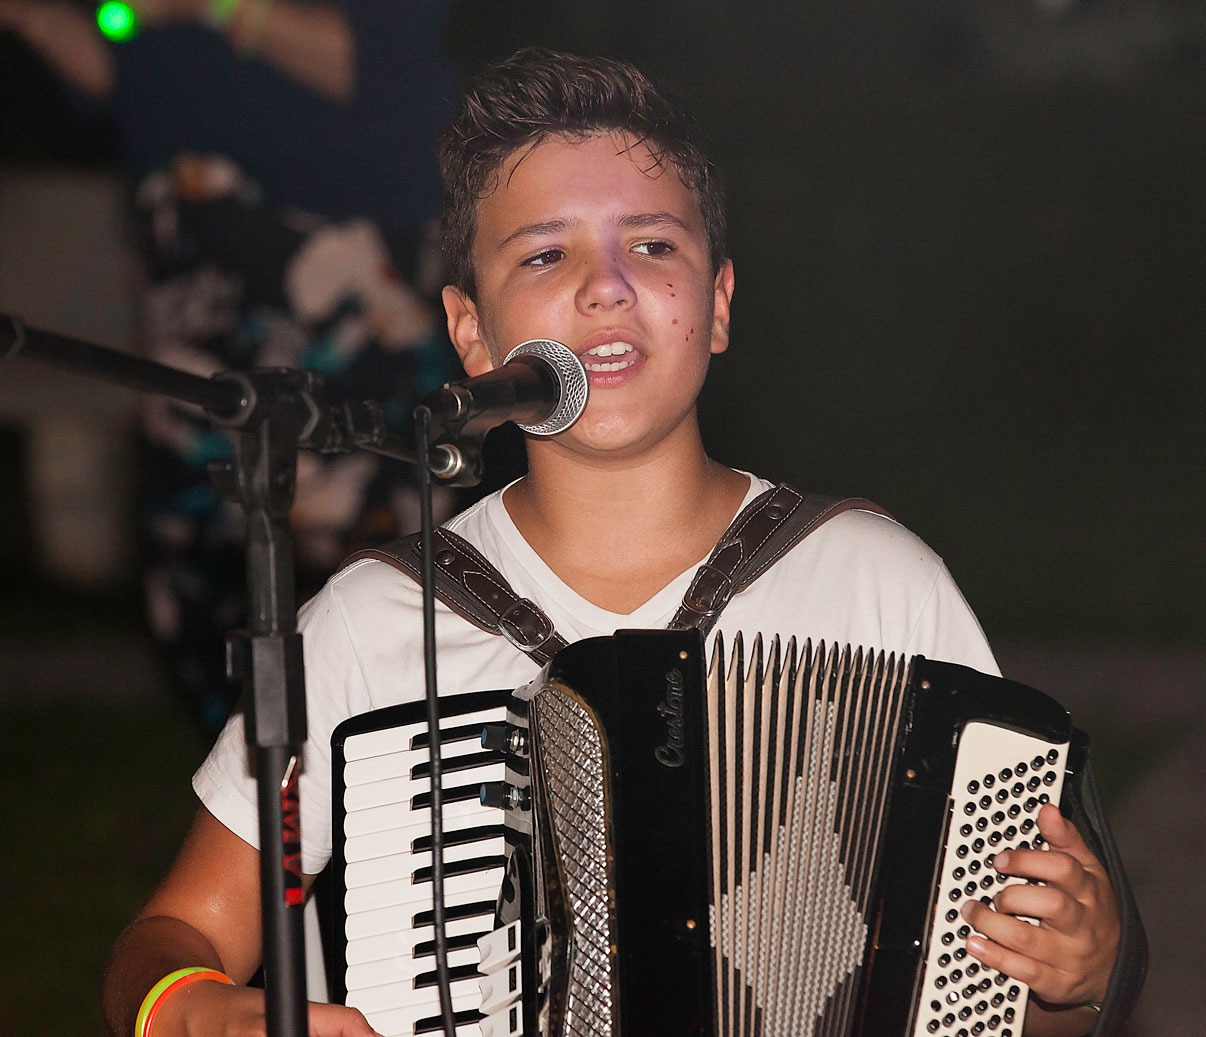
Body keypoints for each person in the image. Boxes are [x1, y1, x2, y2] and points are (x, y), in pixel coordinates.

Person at [101, 49, 1122, 1037]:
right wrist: (186, 1005)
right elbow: (173, 934)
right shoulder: (370, 626)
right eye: (545, 254)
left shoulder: (878, 583)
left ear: (717, 304)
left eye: (653, 245)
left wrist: (1075, 980)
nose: (605, 286)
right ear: (471, 333)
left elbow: (1003, 994)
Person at [0, 0, 461, 731]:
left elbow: (390, 72)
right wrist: (31, 18)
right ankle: (259, 785)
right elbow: (123, 64)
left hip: (342, 259)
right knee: (197, 570)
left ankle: (376, 779)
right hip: (189, 260)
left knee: (367, 565)